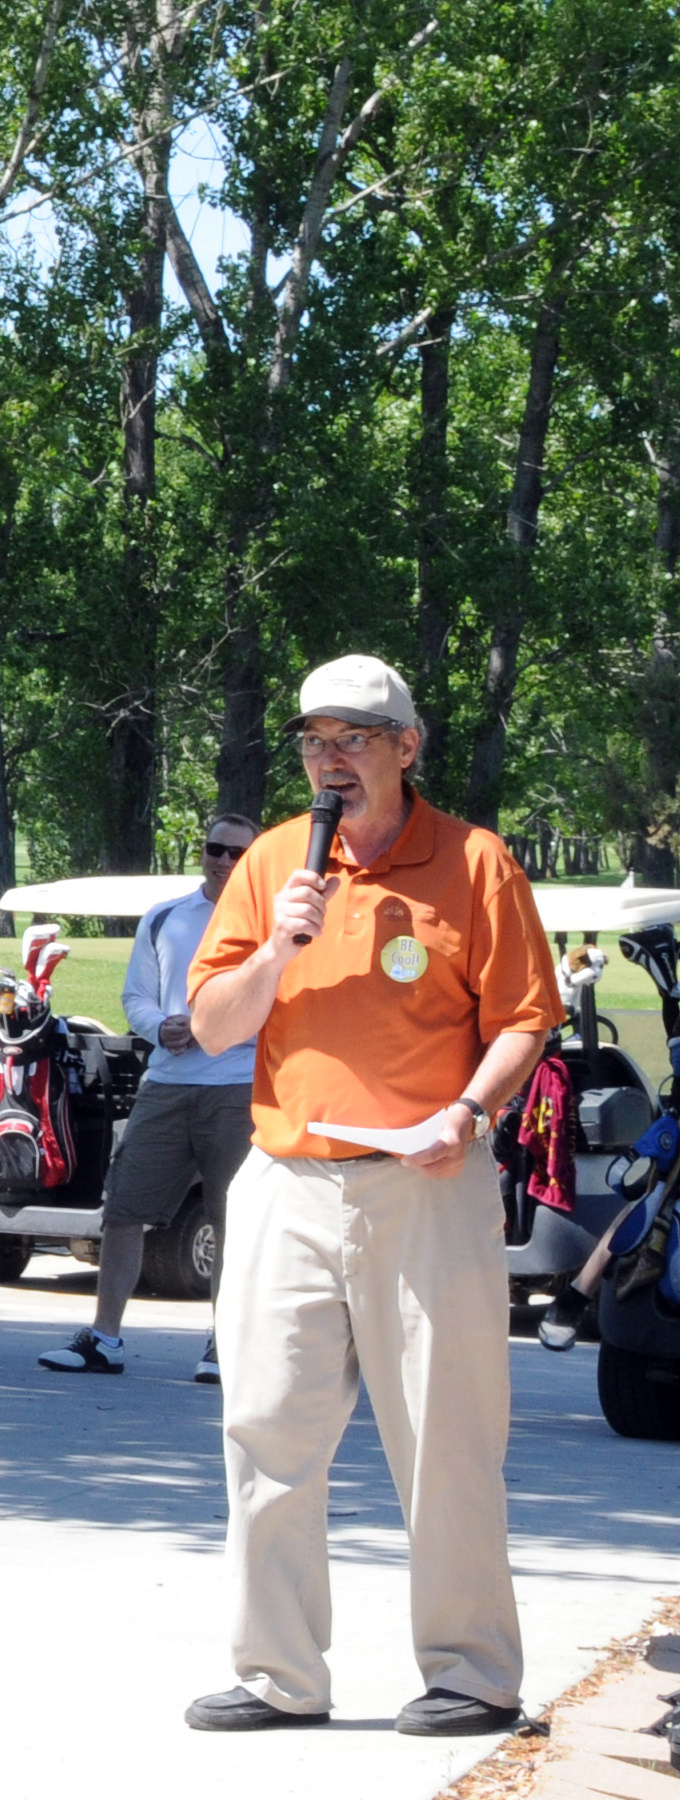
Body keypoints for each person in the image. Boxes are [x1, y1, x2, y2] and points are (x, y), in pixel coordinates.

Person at [181, 654, 558, 1739]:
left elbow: (526, 1018)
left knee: (447, 1434)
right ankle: (277, 1675)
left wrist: (472, 1113)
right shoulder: (271, 868)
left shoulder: (476, 864)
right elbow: (214, 1026)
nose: (330, 757)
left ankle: (472, 1672)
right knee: (263, 1428)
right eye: (313, 739)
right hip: (289, 1181)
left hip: (427, 1183)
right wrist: (283, 944)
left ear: (408, 746)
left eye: (354, 736)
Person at [38, 812, 261, 1383]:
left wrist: (229, 1028)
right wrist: (160, 1027)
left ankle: (226, 1345)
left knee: (232, 1218)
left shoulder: (267, 926)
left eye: (240, 854)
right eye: (216, 849)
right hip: (166, 1082)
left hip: (239, 1085)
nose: (225, 862)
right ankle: (105, 1338)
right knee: (125, 1207)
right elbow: (136, 994)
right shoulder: (166, 919)